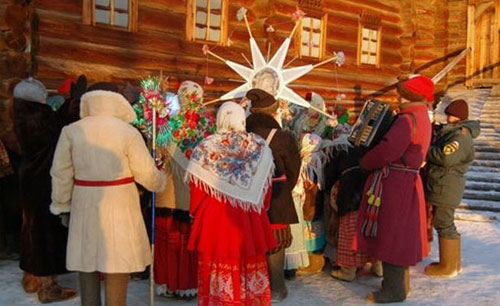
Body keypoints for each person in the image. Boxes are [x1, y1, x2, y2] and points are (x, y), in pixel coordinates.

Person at [50, 86, 166, 306]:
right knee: (117, 263)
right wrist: (159, 182)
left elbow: (60, 173)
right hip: (120, 202)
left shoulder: (72, 131)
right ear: (116, 103)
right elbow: (146, 173)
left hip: (84, 202)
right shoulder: (127, 132)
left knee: (87, 263)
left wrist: (62, 204)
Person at [186, 102, 277, 305]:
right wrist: (260, 207)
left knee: (219, 264)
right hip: (250, 215)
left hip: (215, 216)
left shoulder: (206, 146)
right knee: (250, 261)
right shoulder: (258, 145)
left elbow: (197, 186)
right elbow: (266, 185)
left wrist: (195, 213)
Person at [354, 74, 434, 303]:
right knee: (401, 236)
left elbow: (388, 150)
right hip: (407, 181)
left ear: (410, 96)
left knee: (392, 236)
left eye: (402, 94)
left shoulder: (407, 120)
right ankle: (399, 285)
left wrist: (365, 162)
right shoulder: (421, 116)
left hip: (396, 183)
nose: (398, 98)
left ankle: (393, 291)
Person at [13, 78, 77, 303]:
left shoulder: (23, 112)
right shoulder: (35, 115)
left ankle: (31, 277)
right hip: (41, 181)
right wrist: (72, 103)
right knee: (44, 232)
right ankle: (47, 286)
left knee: (31, 229)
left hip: (31, 178)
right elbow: (57, 127)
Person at [154, 81, 215, 299]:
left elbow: (159, 156)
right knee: (190, 236)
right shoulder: (208, 124)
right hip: (198, 191)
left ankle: (169, 282)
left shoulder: (167, 125)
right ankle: (191, 283)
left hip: (169, 191)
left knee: (171, 237)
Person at [245, 88, 301, 302]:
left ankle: (254, 286)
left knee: (252, 239)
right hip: (276, 196)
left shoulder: (243, 134)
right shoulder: (282, 137)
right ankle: (277, 288)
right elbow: (293, 169)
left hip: (248, 197)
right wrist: (284, 190)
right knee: (275, 241)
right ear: (272, 112)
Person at [424, 99, 480, 277]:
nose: (448, 118)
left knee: (444, 223)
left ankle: (448, 266)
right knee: (445, 222)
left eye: (452, 115)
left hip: (446, 185)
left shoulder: (460, 136)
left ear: (460, 117)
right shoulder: (456, 132)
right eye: (448, 114)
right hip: (444, 183)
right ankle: (452, 264)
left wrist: (426, 149)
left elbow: (445, 157)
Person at [325, 124, 380, 282]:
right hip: (370, 195)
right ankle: (378, 266)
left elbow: (330, 176)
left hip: (349, 197)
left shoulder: (338, 150)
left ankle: (348, 270)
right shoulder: (367, 147)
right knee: (370, 231)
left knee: (349, 234)